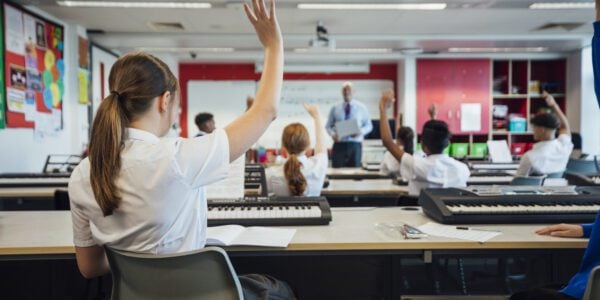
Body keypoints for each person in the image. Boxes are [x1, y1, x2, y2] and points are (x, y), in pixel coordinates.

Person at [68, 1, 294, 298]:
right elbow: (265, 111)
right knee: (280, 289)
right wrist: (274, 44)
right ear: (164, 101)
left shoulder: (84, 173)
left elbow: (89, 267)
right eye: (176, 106)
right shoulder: (176, 158)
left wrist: (137, 254)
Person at [510, 4, 600, 300]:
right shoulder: (564, 144)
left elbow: (515, 183)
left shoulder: (531, 156)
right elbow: (566, 126)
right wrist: (587, 229)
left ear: (537, 130)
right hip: (562, 191)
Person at [378, 89, 470, 196]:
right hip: (449, 211)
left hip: (419, 212)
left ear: (423, 146)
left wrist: (382, 108)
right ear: (447, 143)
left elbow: (388, 142)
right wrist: (433, 117)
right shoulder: (463, 170)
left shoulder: (417, 165)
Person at [266, 104, 328, 196]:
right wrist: (316, 116)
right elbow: (321, 146)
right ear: (308, 146)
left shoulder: (271, 175)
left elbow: (260, 196)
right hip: (313, 211)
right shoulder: (318, 166)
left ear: (283, 146)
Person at [515, 91, 573, 177]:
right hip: (557, 189)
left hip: (533, 190)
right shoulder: (564, 147)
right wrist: (554, 105)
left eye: (534, 128)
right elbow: (565, 127)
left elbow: (518, 182)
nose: (533, 131)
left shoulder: (530, 157)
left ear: (542, 130)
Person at [326, 81, 373, 168]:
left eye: (349, 89)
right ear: (341, 92)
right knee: (337, 173)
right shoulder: (335, 108)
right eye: (344, 90)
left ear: (354, 91)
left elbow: (369, 125)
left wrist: (360, 132)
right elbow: (328, 126)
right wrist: (333, 134)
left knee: (355, 173)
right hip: (339, 145)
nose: (347, 92)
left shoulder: (362, 108)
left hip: (355, 145)